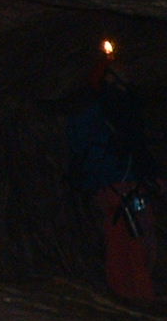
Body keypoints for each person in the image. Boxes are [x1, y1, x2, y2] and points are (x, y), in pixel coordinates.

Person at [66, 39, 161, 303]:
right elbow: (87, 146)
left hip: (128, 183)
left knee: (138, 236)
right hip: (115, 185)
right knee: (127, 239)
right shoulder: (101, 111)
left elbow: (137, 146)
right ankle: (133, 294)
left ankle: (136, 291)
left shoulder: (122, 108)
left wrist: (149, 175)